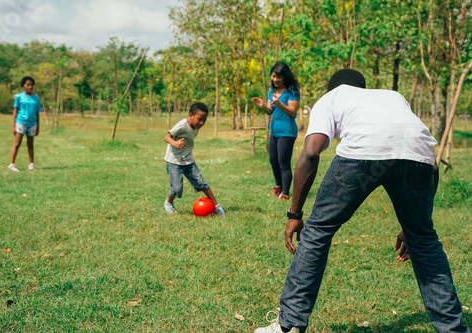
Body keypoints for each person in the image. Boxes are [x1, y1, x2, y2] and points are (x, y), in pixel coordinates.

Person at [256, 69, 470, 333]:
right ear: (363, 87)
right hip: (419, 159)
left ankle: (289, 325)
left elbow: (311, 152)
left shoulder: (331, 98)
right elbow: (430, 162)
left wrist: (295, 215)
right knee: (424, 241)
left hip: (362, 153)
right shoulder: (393, 97)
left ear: (332, 87)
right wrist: (415, 226)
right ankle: (453, 329)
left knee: (317, 232)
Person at [163, 102, 225, 216]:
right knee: (176, 188)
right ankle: (168, 203)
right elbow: (167, 136)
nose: (201, 123)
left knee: (202, 183)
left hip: (188, 161)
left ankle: (217, 207)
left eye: (204, 121)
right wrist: (175, 143)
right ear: (190, 115)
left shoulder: (196, 126)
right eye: (199, 119)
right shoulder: (182, 125)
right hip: (174, 161)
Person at [251, 61, 301, 200]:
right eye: (273, 76)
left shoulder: (292, 91)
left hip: (287, 132)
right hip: (274, 131)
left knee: (283, 162)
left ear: (285, 77)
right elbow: (269, 110)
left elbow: (292, 112)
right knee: (273, 160)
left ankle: (285, 193)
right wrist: (262, 105)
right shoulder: (271, 90)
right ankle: (278, 186)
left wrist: (280, 103)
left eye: (278, 77)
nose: (275, 79)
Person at [8, 76, 42, 172]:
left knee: (30, 145)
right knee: (17, 144)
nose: (30, 87)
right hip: (21, 123)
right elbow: (15, 111)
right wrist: (13, 126)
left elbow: (37, 113)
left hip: (32, 124)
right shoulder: (19, 97)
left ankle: (31, 164)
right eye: (28, 85)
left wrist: (38, 127)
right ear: (23, 86)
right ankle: (11, 164)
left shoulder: (36, 98)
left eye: (31, 85)